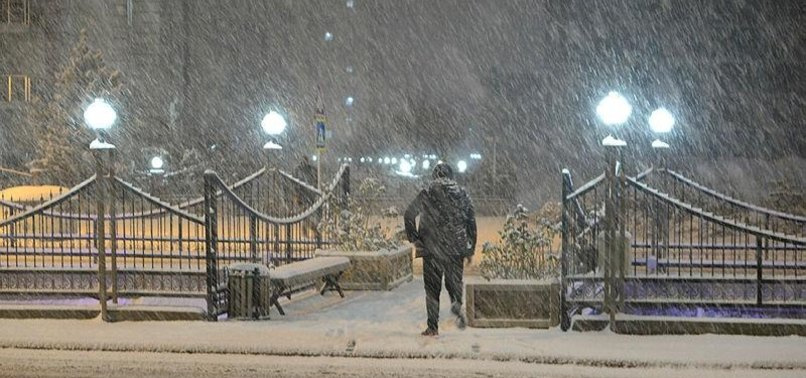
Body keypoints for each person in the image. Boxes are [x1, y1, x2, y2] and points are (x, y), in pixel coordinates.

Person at [404, 162, 477, 336]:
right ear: (451, 177)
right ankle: (457, 305)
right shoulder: (461, 194)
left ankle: (432, 326)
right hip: (455, 249)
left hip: (432, 249)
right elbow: (471, 222)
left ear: (434, 176)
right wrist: (470, 247)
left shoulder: (427, 192)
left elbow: (409, 214)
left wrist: (415, 239)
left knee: (432, 289)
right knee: (454, 283)